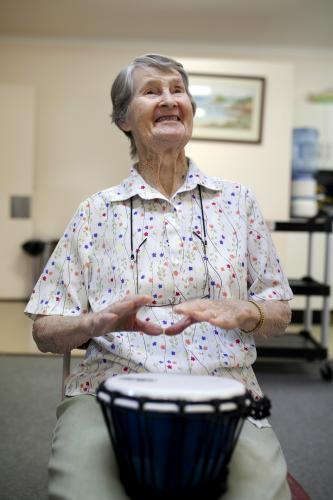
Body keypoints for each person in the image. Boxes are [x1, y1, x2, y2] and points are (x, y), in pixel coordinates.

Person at [25, 54, 293, 500]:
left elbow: (280, 312)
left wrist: (244, 309)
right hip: (107, 387)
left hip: (225, 386)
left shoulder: (238, 203)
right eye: (152, 91)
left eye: (177, 90)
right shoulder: (96, 212)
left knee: (262, 493)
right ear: (123, 119)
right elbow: (44, 331)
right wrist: (95, 324)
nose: (169, 99)